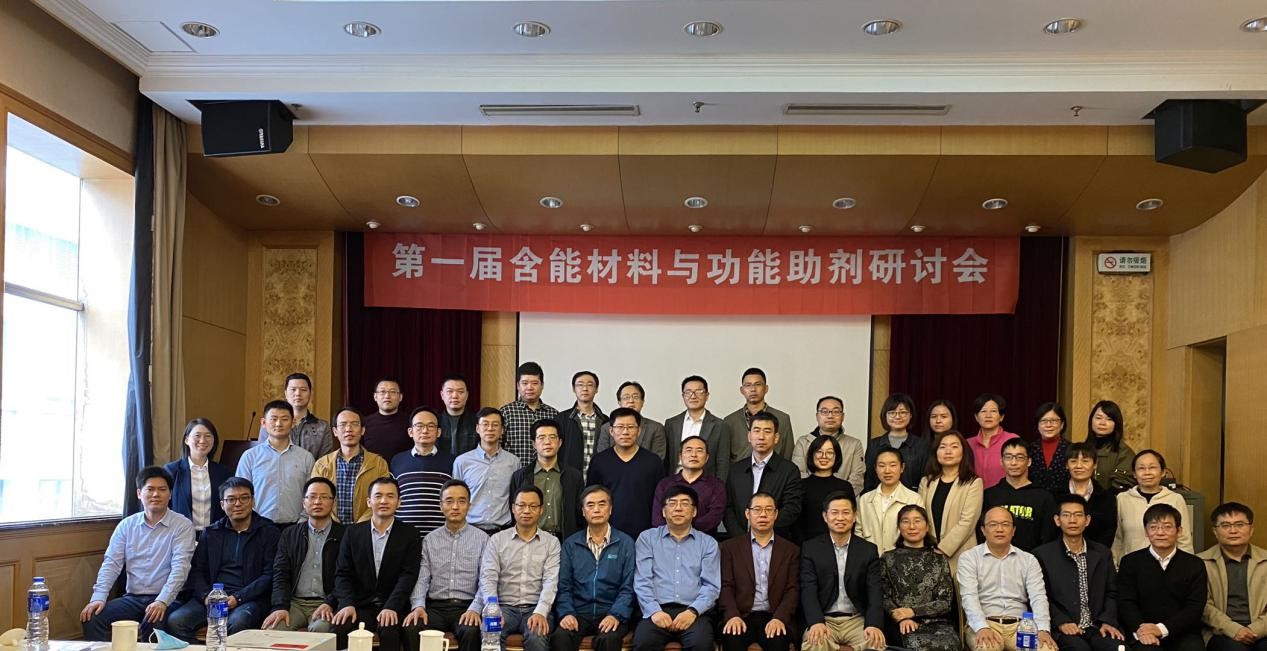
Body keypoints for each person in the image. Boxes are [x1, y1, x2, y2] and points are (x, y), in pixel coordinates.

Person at [80, 467, 196, 641]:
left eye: (162, 489)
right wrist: (98, 598)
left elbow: (180, 568)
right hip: (133, 598)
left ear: (170, 494)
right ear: (139, 493)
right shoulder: (126, 526)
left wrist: (162, 601)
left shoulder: (182, 525)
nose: (156, 494)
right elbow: (111, 564)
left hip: (170, 598)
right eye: (150, 489)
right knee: (93, 617)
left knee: (153, 620)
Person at [165, 477, 280, 641]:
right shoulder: (211, 533)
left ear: (253, 501)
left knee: (239, 622)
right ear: (222, 505)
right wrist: (206, 596)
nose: (238, 504)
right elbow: (196, 570)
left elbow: (269, 575)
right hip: (214, 598)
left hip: (248, 599)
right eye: (231, 499)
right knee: (176, 621)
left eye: (244, 498)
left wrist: (238, 598)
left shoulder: (269, 532)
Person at [332, 477, 421, 651]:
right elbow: (343, 574)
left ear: (399, 502)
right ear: (369, 501)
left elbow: (408, 576)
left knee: (390, 631)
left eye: (390, 496)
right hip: (359, 605)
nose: (384, 501)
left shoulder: (410, 534)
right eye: (378, 496)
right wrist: (346, 603)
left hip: (394, 604)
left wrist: (391, 607)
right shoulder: (352, 533)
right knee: (339, 627)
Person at [633, 485, 721, 651]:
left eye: (685, 503)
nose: (678, 508)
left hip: (695, 613)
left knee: (701, 644)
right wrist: (655, 611)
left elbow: (711, 586)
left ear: (694, 512)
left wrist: (693, 611)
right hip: (656, 610)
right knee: (644, 642)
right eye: (672, 503)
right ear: (663, 511)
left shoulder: (708, 544)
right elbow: (642, 581)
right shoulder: (647, 539)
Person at [402, 480, 487, 651]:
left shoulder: (483, 539)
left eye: (461, 501)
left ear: (469, 505)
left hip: (467, 605)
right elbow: (422, 578)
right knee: (412, 627)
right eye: (449, 501)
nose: (455, 507)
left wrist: (475, 608)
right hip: (435, 607)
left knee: (471, 630)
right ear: (441, 506)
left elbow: (485, 580)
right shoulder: (429, 540)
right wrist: (418, 606)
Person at [1033, 494, 1125, 651]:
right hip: (1063, 628)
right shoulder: (1042, 555)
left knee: (1118, 648)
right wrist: (1061, 622)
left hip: (1097, 626)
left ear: (1087, 520)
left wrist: (1107, 620)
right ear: (1057, 520)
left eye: (1078, 515)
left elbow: (1112, 592)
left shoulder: (1102, 553)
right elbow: (1040, 596)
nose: (1072, 520)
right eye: (1066, 515)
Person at [959, 507, 1058, 651]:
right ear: (983, 530)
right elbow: (969, 596)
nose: (999, 529)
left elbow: (1038, 597)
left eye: (1005, 524)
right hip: (986, 623)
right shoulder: (969, 558)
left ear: (1013, 530)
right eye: (993, 524)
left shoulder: (1029, 560)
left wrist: (1043, 629)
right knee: (986, 648)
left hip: (1021, 626)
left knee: (1046, 649)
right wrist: (981, 627)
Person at [551, 485, 637, 651]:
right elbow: (564, 586)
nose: (596, 509)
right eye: (590, 505)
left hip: (610, 611)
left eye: (602, 504)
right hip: (578, 612)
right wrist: (567, 613)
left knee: (609, 638)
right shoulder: (571, 544)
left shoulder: (626, 543)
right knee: (560, 637)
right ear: (583, 512)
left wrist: (615, 614)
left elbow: (628, 588)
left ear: (610, 509)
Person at [799, 490, 887, 651]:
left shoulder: (868, 550)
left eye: (846, 512)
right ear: (825, 516)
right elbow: (808, 589)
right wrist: (816, 621)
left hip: (856, 619)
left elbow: (874, 590)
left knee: (875, 644)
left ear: (854, 517)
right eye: (834, 512)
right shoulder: (811, 548)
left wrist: (873, 624)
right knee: (814, 643)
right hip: (825, 619)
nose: (840, 518)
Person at [479, 486, 562, 651]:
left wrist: (541, 612)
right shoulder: (497, 540)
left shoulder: (551, 543)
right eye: (521, 505)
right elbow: (488, 578)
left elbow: (551, 581)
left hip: (535, 607)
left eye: (533, 506)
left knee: (537, 636)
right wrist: (493, 610)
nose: (526, 511)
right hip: (503, 607)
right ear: (513, 508)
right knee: (491, 632)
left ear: (541, 510)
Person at [1117, 503, 1207, 651]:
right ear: (1146, 532)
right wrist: (1142, 630)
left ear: (1179, 531)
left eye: (1167, 527)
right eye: (1153, 527)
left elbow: (1195, 607)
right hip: (1142, 631)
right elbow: (1126, 602)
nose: (1160, 532)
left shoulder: (1194, 564)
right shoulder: (1130, 562)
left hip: (1183, 632)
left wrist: (1161, 629)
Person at [262, 477, 345, 636]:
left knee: (322, 630)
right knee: (273, 629)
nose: (317, 502)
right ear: (304, 502)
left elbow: (347, 576)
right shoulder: (289, 534)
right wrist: (280, 607)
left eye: (324, 497)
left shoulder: (345, 535)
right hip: (294, 603)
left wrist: (331, 602)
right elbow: (280, 573)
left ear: (333, 502)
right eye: (312, 497)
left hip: (327, 603)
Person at [719, 492, 800, 651]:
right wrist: (732, 615)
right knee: (732, 639)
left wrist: (780, 618)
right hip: (741, 615)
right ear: (747, 513)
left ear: (776, 514)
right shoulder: (730, 548)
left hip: (774, 615)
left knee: (778, 641)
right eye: (757, 509)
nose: (763, 514)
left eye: (768, 509)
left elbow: (793, 589)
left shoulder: (790, 550)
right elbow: (725, 586)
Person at [880, 504, 960, 651]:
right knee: (916, 644)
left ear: (927, 526)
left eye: (917, 521)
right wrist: (902, 617)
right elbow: (883, 596)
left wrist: (913, 611)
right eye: (905, 521)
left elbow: (945, 602)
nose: (912, 526)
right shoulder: (888, 558)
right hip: (901, 623)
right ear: (899, 527)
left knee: (951, 644)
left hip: (938, 624)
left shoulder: (939, 559)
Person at [587, 407, 667, 538]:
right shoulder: (599, 462)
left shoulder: (653, 462)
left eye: (630, 427)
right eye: (620, 427)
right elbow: (591, 499)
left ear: (639, 431)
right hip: (607, 533)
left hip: (645, 534)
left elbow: (660, 500)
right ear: (611, 431)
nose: (625, 432)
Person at [1199, 501, 1267, 651]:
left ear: (1251, 529)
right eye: (1225, 525)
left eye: (1239, 525)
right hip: (1220, 632)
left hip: (1262, 630)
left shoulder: (1265, 560)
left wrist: (1255, 629)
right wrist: (1233, 629)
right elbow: (1202, 605)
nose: (1233, 530)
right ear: (1215, 531)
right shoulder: (1200, 562)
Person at [725, 411, 803, 539]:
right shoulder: (736, 470)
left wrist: (763, 532)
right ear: (749, 436)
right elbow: (728, 508)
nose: (761, 437)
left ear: (776, 437)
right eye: (756, 431)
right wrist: (740, 537)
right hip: (739, 540)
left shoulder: (789, 470)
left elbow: (792, 508)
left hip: (775, 540)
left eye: (767, 431)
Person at [238, 399, 316, 525]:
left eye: (284, 419)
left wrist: (302, 522)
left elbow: (312, 494)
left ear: (293, 422)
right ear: (263, 423)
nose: (279, 424)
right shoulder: (250, 456)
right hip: (259, 526)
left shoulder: (306, 457)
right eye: (273, 419)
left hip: (296, 525)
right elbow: (240, 493)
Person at [313, 406, 390, 524]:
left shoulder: (378, 463)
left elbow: (382, 499)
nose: (349, 429)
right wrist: (334, 524)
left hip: (366, 528)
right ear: (335, 431)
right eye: (343, 424)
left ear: (362, 430)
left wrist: (359, 526)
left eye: (354, 424)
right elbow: (315, 497)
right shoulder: (322, 464)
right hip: (330, 528)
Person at [1113, 449, 1193, 563]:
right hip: (1132, 566)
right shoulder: (1122, 499)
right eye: (1141, 468)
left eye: (1152, 467)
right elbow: (1117, 539)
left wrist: (1186, 567)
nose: (1147, 472)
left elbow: (1184, 540)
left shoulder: (1175, 499)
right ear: (1134, 474)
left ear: (1163, 472)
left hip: (1168, 566)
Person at [510, 419, 584, 540]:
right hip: (530, 539)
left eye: (552, 437)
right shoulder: (520, 476)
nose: (547, 442)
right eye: (541, 437)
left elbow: (580, 514)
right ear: (534, 444)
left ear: (560, 442)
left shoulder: (574, 476)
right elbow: (514, 512)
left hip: (564, 540)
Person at [918, 430, 984, 566]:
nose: (948, 451)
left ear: (963, 452)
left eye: (954, 446)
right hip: (928, 553)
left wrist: (942, 549)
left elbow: (967, 522)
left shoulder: (973, 482)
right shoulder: (926, 482)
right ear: (936, 452)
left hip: (961, 553)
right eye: (942, 447)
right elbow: (920, 515)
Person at [980, 438, 1057, 551]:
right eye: (1008, 457)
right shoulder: (989, 495)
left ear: (1029, 461)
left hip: (1032, 558)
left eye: (1019, 457)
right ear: (1001, 461)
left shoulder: (1044, 497)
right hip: (994, 558)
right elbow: (981, 532)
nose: (1013, 463)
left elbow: (1048, 537)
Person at [452, 407, 520, 533]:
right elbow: (456, 498)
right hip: (470, 531)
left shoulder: (513, 462)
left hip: (503, 531)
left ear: (502, 430)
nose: (490, 428)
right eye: (485, 424)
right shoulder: (462, 462)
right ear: (477, 429)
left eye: (495, 425)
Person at [391, 406, 456, 537]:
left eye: (431, 426)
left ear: (438, 432)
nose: (425, 431)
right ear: (410, 432)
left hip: (440, 534)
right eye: (419, 426)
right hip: (403, 534)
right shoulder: (397, 461)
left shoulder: (452, 461)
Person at [165, 417, 232, 531]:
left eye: (208, 436)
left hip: (215, 535)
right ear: (186, 440)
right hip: (181, 535)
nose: (202, 440)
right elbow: (165, 506)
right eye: (197, 435)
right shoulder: (172, 470)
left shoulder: (223, 472)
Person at [650, 435, 726, 535]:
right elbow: (657, 518)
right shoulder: (665, 484)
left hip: (703, 540)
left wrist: (683, 530)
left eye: (699, 451)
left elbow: (714, 517)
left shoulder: (716, 486)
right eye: (689, 450)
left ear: (707, 457)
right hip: (666, 540)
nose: (693, 455)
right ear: (680, 456)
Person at [791, 396, 865, 496]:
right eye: (824, 411)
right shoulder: (803, 442)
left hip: (843, 501)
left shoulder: (854, 444)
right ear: (817, 416)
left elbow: (857, 478)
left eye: (836, 411)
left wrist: (838, 499)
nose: (830, 416)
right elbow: (799, 474)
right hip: (809, 498)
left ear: (843, 416)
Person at [665, 375, 733, 482]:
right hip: (676, 482)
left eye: (699, 392)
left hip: (706, 484)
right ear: (683, 396)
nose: (693, 396)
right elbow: (667, 460)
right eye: (688, 392)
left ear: (707, 396)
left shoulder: (720, 425)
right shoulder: (671, 423)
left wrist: (719, 487)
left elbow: (723, 463)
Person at [255, 372, 336, 460]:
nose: (298, 393)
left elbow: (325, 461)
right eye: (293, 389)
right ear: (286, 393)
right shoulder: (271, 424)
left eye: (303, 390)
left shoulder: (322, 427)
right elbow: (262, 454)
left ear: (310, 393)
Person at [856, 447, 921, 554]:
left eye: (893, 465)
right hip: (870, 559)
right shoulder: (865, 499)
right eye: (882, 466)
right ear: (875, 469)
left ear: (902, 468)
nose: (887, 470)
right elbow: (858, 531)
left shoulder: (914, 499)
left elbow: (918, 533)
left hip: (902, 559)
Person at [794, 435, 856, 544]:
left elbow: (850, 521)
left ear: (836, 456)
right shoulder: (800, 486)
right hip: (806, 546)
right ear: (812, 455)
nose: (824, 456)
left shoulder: (845, 487)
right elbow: (795, 523)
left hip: (839, 545)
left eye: (830, 452)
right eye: (819, 452)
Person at [724, 368, 794, 461]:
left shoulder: (782, 418)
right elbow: (724, 457)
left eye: (758, 384)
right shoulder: (730, 421)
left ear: (766, 389)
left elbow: (788, 454)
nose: (753, 389)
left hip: (773, 469)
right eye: (748, 385)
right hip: (739, 469)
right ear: (742, 390)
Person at [500, 361, 561, 470]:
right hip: (514, 473)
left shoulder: (554, 414)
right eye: (525, 383)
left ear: (542, 385)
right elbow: (498, 446)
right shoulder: (506, 412)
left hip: (546, 474)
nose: (529, 387)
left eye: (534, 383)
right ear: (518, 386)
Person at [864, 393, 929, 491]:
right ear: (885, 415)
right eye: (892, 412)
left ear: (911, 415)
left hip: (912, 498)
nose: (898, 416)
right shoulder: (874, 445)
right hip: (879, 498)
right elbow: (869, 480)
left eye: (903, 412)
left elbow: (925, 480)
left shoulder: (921, 445)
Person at [596, 381, 668, 463]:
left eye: (635, 397)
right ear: (619, 402)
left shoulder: (656, 428)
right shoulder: (606, 428)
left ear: (642, 402)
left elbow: (657, 461)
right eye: (626, 397)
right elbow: (603, 459)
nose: (631, 401)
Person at [1065, 441, 1118, 548]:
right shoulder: (1055, 496)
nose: (1079, 466)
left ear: (1095, 465)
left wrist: (1094, 554)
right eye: (1073, 461)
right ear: (1066, 465)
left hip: (1097, 555)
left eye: (1085, 461)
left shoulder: (1107, 498)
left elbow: (1108, 533)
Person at [557, 371, 609, 476]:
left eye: (590, 385)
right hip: (570, 478)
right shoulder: (562, 419)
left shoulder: (606, 421)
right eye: (580, 385)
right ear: (573, 389)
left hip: (599, 477)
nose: (585, 388)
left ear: (596, 389)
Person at [968, 393, 1020, 490]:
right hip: (974, 495)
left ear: (1001, 417)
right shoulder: (967, 444)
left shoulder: (1013, 439)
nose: (988, 415)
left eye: (993, 411)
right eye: (983, 411)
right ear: (976, 417)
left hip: (1005, 494)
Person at [1088, 400, 1136, 492]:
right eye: (1098, 418)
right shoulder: (1083, 448)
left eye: (1109, 419)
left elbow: (1122, 485)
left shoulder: (1124, 452)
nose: (1102, 423)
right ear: (1091, 420)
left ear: (1116, 424)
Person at [362, 378, 413, 460]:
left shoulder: (411, 422)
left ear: (400, 397)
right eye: (382, 392)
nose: (387, 396)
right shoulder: (364, 423)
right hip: (372, 467)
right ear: (375, 396)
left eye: (392, 392)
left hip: (403, 467)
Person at [1028, 402, 1071, 494]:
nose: (1048, 425)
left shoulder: (1071, 449)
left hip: (1064, 499)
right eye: (1044, 421)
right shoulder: (1030, 449)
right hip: (1035, 499)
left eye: (1054, 420)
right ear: (1037, 425)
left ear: (1062, 424)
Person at [440, 375, 479, 457]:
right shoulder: (435, 422)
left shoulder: (477, 422)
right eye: (450, 391)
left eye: (460, 392)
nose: (455, 396)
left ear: (467, 395)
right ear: (442, 395)